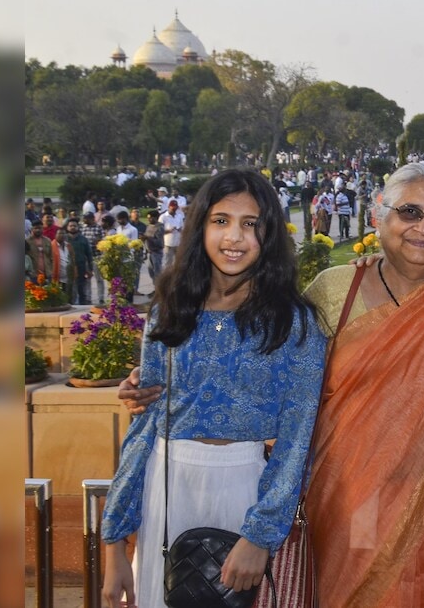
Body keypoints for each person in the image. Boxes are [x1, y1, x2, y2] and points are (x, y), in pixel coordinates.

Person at [121, 162, 424, 607]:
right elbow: (269, 372)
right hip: (349, 503)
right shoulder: (334, 290)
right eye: (409, 212)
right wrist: (157, 382)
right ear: (379, 215)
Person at [101, 168, 327, 608]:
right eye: (221, 220)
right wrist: (114, 545)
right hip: (166, 484)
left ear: (270, 234)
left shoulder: (293, 323)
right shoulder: (170, 310)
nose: (234, 237)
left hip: (244, 491)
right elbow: (144, 426)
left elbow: (299, 438)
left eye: (250, 223)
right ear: (200, 226)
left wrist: (259, 536)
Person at [61, 217, 94, 305]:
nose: (72, 227)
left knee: (81, 287)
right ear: (67, 227)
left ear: (78, 227)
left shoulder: (83, 239)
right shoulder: (64, 239)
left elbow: (89, 254)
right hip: (67, 267)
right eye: (70, 226)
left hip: (81, 266)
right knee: (68, 287)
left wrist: (90, 269)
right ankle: (68, 304)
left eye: (74, 226)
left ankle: (83, 305)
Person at [160, 199, 183, 269]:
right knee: (168, 263)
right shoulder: (163, 217)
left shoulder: (179, 216)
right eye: (173, 207)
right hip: (168, 243)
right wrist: (169, 230)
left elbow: (182, 227)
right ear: (169, 207)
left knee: (178, 263)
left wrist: (180, 229)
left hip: (178, 243)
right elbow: (159, 231)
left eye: (175, 207)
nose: (174, 209)